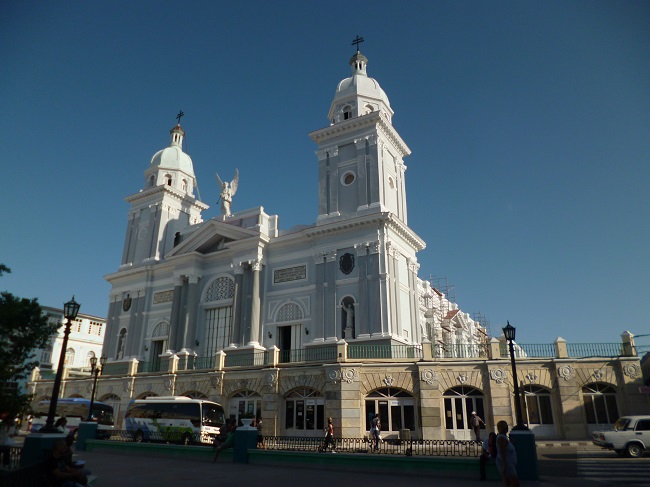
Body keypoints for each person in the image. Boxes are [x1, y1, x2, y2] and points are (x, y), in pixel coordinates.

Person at [495, 420, 519, 487]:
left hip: (508, 463)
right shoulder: (501, 438)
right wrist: (504, 466)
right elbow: (503, 452)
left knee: (508, 483)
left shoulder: (504, 437)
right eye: (505, 426)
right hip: (507, 464)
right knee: (515, 483)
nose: (507, 428)